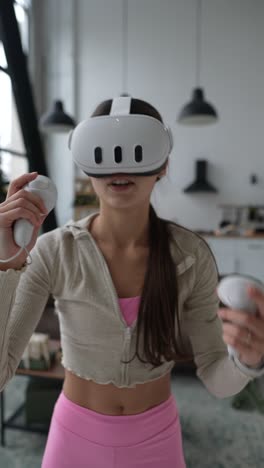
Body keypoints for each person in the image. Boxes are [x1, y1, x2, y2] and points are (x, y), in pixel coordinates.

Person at [0, 97, 264, 468]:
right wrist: (5, 264)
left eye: (139, 152)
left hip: (156, 441)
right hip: (73, 438)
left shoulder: (190, 257)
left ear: (163, 164)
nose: (119, 167)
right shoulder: (54, 251)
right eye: (104, 153)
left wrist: (248, 361)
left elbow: (218, 382)